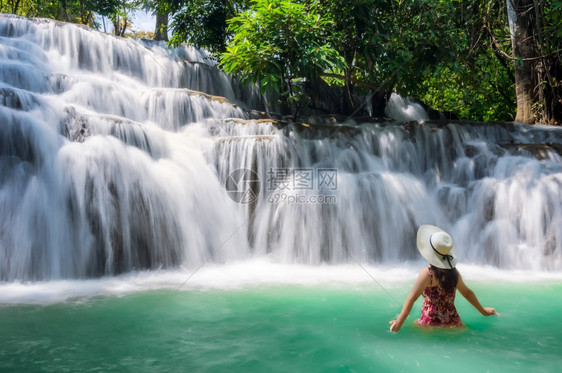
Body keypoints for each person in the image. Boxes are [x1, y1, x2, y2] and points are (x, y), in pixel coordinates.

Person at [389, 224, 497, 332]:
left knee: (412, 325)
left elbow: (412, 298)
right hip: (453, 321)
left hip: (430, 323)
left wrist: (399, 322)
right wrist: (483, 311)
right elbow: (467, 293)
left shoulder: (428, 274)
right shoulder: (454, 273)